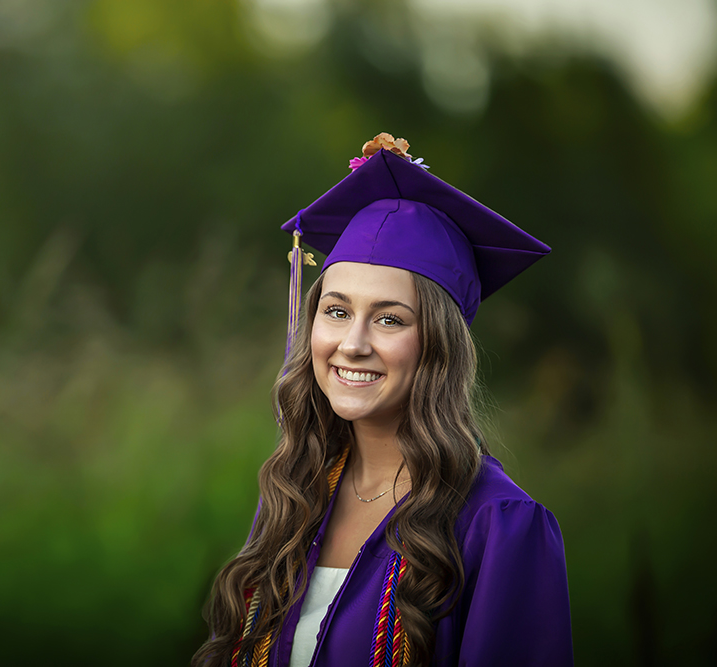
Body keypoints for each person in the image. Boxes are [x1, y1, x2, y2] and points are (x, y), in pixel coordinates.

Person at [192, 133, 573, 667]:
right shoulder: (294, 495)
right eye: (337, 311)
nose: (353, 344)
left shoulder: (499, 524)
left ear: (438, 344)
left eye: (390, 318)